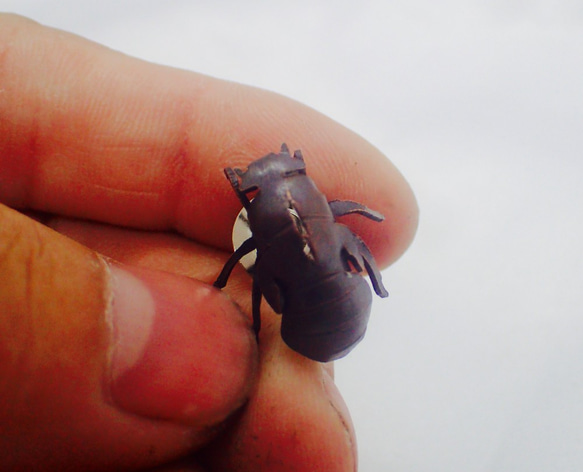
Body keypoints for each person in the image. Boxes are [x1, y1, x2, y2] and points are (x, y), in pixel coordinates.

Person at [0, 13, 418, 471]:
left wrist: (238, 295)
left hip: (318, 323)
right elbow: (348, 217)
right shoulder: (323, 218)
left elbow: (271, 266)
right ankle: (371, 284)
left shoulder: (287, 233)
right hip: (325, 322)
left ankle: (367, 282)